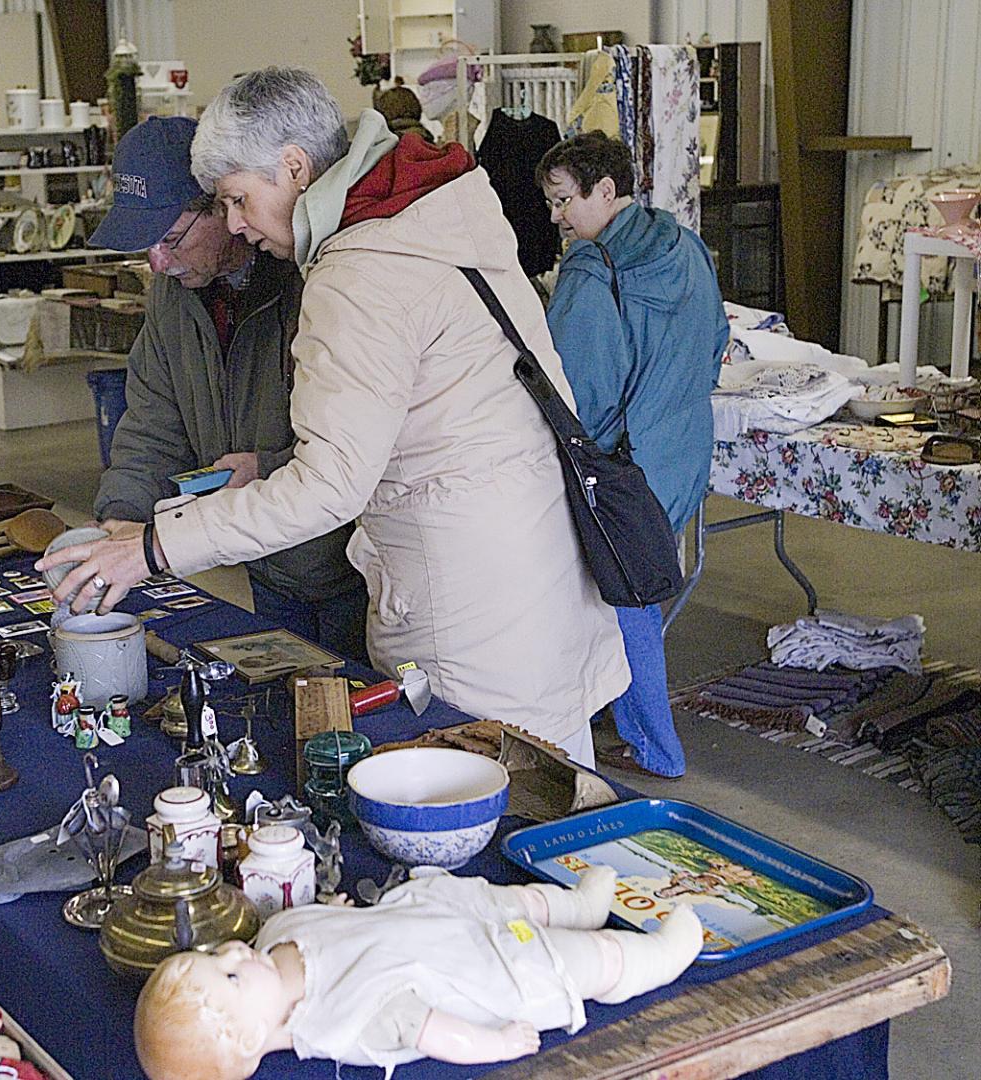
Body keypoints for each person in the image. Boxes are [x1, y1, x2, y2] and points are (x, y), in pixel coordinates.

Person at [39, 68, 630, 765]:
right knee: (549, 797)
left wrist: (149, 549)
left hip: (466, 597)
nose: (234, 220)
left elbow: (329, 483)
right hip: (530, 566)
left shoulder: (358, 267)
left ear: (293, 166)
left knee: (489, 801)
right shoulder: (430, 210)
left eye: (237, 199)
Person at [86, 116, 368, 663]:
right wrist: (124, 518)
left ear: (222, 206)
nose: (157, 263)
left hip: (351, 563)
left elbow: (367, 443)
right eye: (146, 247)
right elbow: (150, 425)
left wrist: (267, 466)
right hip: (263, 559)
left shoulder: (313, 281)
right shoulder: (173, 297)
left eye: (170, 239)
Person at [538, 132, 728, 779]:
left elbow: (572, 393)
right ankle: (615, 714)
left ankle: (656, 748)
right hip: (684, 455)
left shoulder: (593, 272)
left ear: (606, 191)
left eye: (564, 201)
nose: (556, 217)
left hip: (626, 468)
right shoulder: (685, 246)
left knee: (624, 601)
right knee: (638, 590)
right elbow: (717, 343)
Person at [133, 866, 704, 1079]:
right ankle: (648, 961)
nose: (232, 955)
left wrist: (331, 916)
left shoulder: (269, 947)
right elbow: (432, 1029)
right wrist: (496, 1044)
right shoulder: (344, 1017)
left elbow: (306, 928)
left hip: (438, 919)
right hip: (484, 969)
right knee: (575, 963)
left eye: (215, 956)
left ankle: (578, 907)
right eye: (228, 977)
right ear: (253, 1036)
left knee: (502, 900)